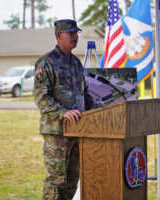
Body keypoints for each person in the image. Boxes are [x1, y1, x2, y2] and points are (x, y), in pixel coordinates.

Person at [34, 19, 98, 200]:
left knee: (71, 181)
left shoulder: (76, 63)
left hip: (77, 131)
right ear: (58, 36)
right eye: (71, 33)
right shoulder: (46, 62)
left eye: (76, 33)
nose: (75, 36)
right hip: (56, 132)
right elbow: (41, 98)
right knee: (56, 180)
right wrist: (64, 113)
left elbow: (84, 95)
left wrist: (100, 111)